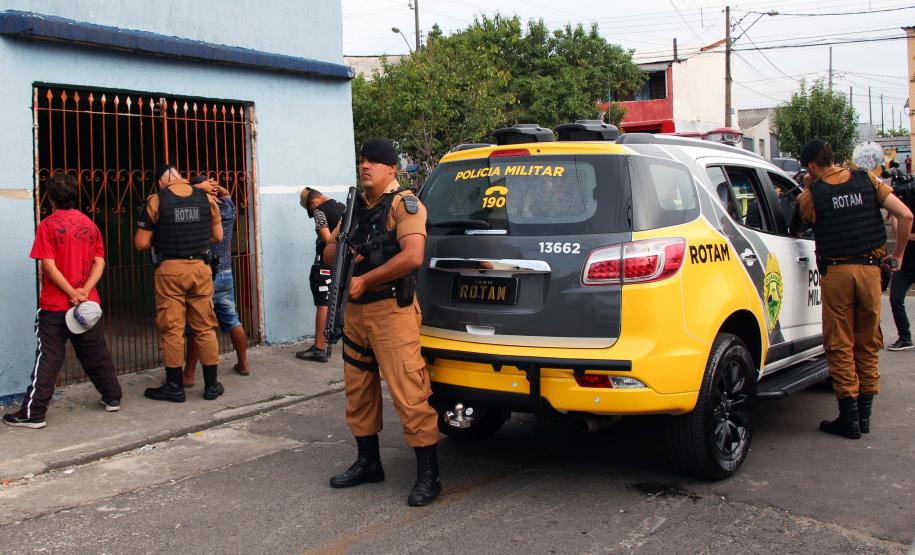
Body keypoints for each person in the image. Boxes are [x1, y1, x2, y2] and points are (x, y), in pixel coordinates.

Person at [323, 138, 441, 506]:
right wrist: (340, 243)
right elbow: (329, 255)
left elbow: (413, 256)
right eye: (362, 160)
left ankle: (429, 476)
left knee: (409, 393)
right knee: (358, 390)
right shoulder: (354, 208)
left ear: (392, 168)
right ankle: (368, 462)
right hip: (356, 312)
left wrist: (366, 279)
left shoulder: (405, 206)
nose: (365, 166)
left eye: (373, 161)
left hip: (391, 310)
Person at [797, 139, 913, 439]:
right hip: (871, 273)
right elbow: (905, 216)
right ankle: (864, 417)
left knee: (840, 344)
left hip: (837, 273)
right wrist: (898, 255)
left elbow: (802, 219)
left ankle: (848, 419)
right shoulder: (867, 180)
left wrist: (811, 186)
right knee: (867, 343)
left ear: (811, 166)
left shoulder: (813, 194)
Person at [3, 173, 122, 429]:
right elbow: (99, 261)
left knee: (48, 358)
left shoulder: (47, 226)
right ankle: (113, 396)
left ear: (50, 197)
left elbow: (49, 266)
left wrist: (70, 292)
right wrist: (84, 291)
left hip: (55, 305)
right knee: (95, 352)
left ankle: (34, 413)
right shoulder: (90, 225)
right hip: (86, 305)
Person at [134, 165, 224, 402]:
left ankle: (174, 387)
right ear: (180, 177)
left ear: (161, 183)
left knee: (172, 329)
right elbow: (218, 237)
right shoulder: (206, 198)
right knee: (205, 327)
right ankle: (212, 385)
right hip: (200, 270)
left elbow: (141, 243)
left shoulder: (156, 200)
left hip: (171, 271)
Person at [182, 175, 251, 385]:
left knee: (197, 324)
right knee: (232, 318)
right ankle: (244, 364)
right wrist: (215, 186)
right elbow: (227, 193)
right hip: (225, 271)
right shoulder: (228, 208)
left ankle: (190, 373)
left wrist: (197, 188)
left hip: (204, 273)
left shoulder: (200, 211)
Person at [296, 187, 345, 363]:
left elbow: (327, 239)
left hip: (325, 262)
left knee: (323, 303)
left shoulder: (320, 211)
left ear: (313, 203)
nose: (312, 213)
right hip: (341, 263)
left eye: (310, 209)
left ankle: (319, 347)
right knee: (336, 301)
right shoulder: (342, 206)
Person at [886, 189, 915, 351]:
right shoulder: (905, 211)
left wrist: (908, 234)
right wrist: (896, 213)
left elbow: (906, 234)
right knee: (895, 299)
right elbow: (897, 233)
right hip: (904, 264)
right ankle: (904, 337)